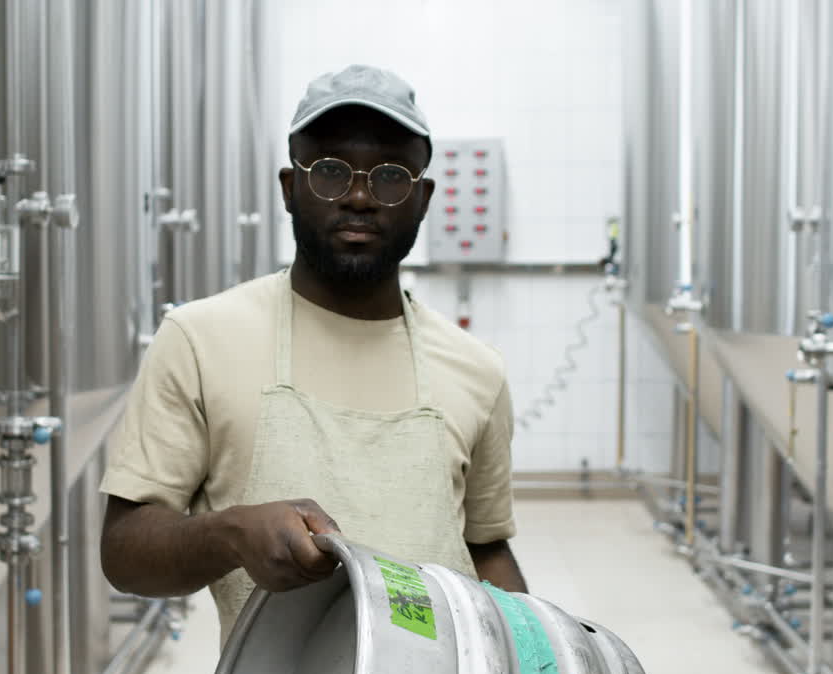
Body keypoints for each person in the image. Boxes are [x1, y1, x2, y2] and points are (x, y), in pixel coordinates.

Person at [100, 64, 526, 643]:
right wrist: (229, 535)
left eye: (391, 176)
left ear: (423, 198)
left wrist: (534, 667)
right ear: (289, 188)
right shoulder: (200, 339)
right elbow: (124, 552)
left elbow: (487, 547)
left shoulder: (477, 369)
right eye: (329, 170)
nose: (359, 197)